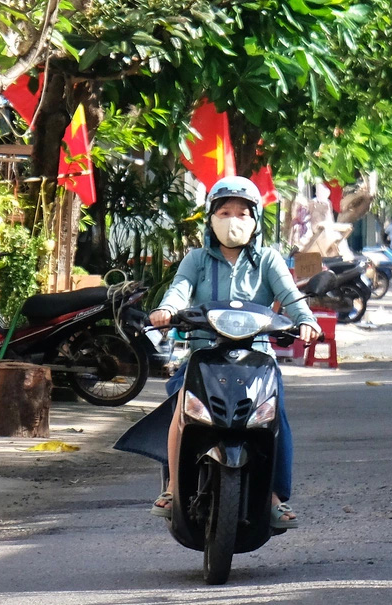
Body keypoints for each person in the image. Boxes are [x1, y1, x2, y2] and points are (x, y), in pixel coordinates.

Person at [148, 176, 320, 528]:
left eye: (243, 213)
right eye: (225, 211)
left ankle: (274, 497)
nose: (234, 220)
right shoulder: (195, 260)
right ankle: (172, 488)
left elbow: (291, 298)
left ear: (255, 220)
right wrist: (165, 311)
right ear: (211, 218)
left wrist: (306, 321)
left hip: (257, 358)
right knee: (180, 406)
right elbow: (178, 292)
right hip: (203, 356)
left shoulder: (268, 260)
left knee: (277, 415)